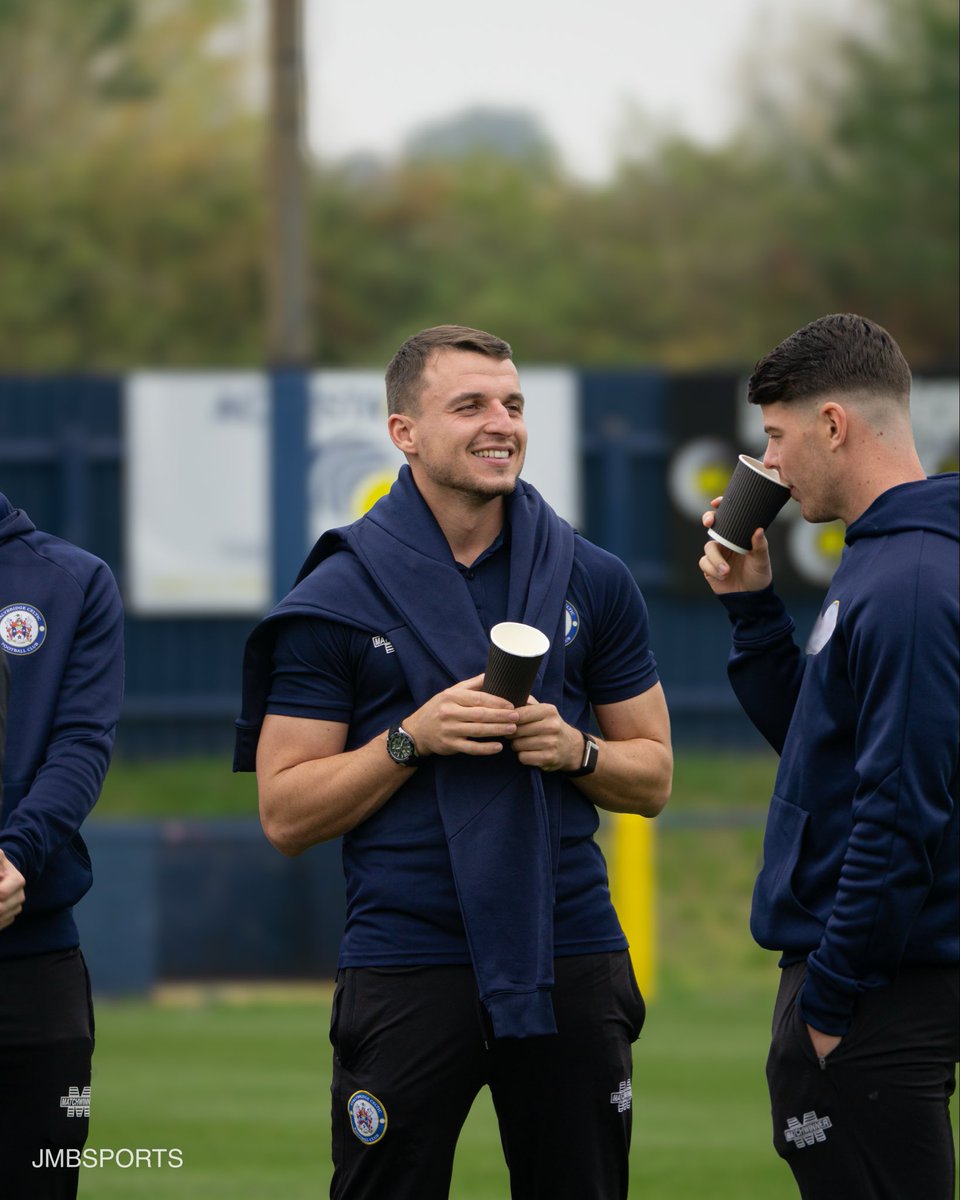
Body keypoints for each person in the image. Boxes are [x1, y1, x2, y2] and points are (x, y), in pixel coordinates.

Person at [235, 324, 672, 1199]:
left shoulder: (592, 577)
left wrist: (573, 749)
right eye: (469, 405)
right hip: (407, 957)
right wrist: (409, 739)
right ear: (404, 433)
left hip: (569, 950)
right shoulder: (336, 595)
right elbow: (285, 814)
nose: (500, 423)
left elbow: (653, 775)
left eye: (512, 404)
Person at [698, 313, 959, 1200]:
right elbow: (823, 754)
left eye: (777, 437)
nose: (768, 465)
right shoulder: (882, 561)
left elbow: (901, 810)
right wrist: (751, 608)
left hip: (875, 989)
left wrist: (831, 1002)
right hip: (865, 980)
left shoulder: (911, 582)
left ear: (835, 425)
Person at [0, 494, 125, 1197]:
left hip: (35, 971)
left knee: (46, 1174)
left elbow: (81, 745)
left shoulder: (72, 580)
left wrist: (15, 855)